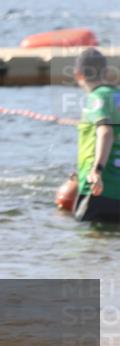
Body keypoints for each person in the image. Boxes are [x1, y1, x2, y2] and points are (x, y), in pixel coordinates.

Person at [72, 48, 120, 224]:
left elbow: (105, 131)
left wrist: (96, 170)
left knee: (89, 245)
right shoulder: (117, 95)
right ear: (106, 72)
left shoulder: (96, 98)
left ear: (78, 75)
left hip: (99, 189)